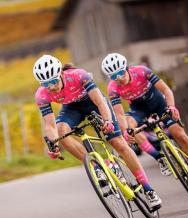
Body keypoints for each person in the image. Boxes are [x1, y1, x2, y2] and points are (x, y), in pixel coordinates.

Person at [33, 54, 162, 208]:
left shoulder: (78, 75)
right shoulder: (41, 95)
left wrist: (107, 121)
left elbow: (100, 101)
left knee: (118, 143)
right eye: (46, 84)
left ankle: (148, 189)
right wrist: (54, 144)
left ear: (60, 74)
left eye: (54, 81)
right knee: (61, 132)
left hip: (94, 104)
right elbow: (50, 125)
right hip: (71, 109)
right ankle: (96, 166)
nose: (52, 87)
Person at [102, 53, 188, 191]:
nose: (119, 78)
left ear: (126, 68)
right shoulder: (113, 88)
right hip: (138, 109)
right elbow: (119, 113)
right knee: (130, 127)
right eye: (114, 76)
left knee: (179, 134)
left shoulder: (141, 71)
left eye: (121, 73)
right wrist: (126, 131)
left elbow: (165, 90)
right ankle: (160, 158)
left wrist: (171, 107)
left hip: (159, 103)